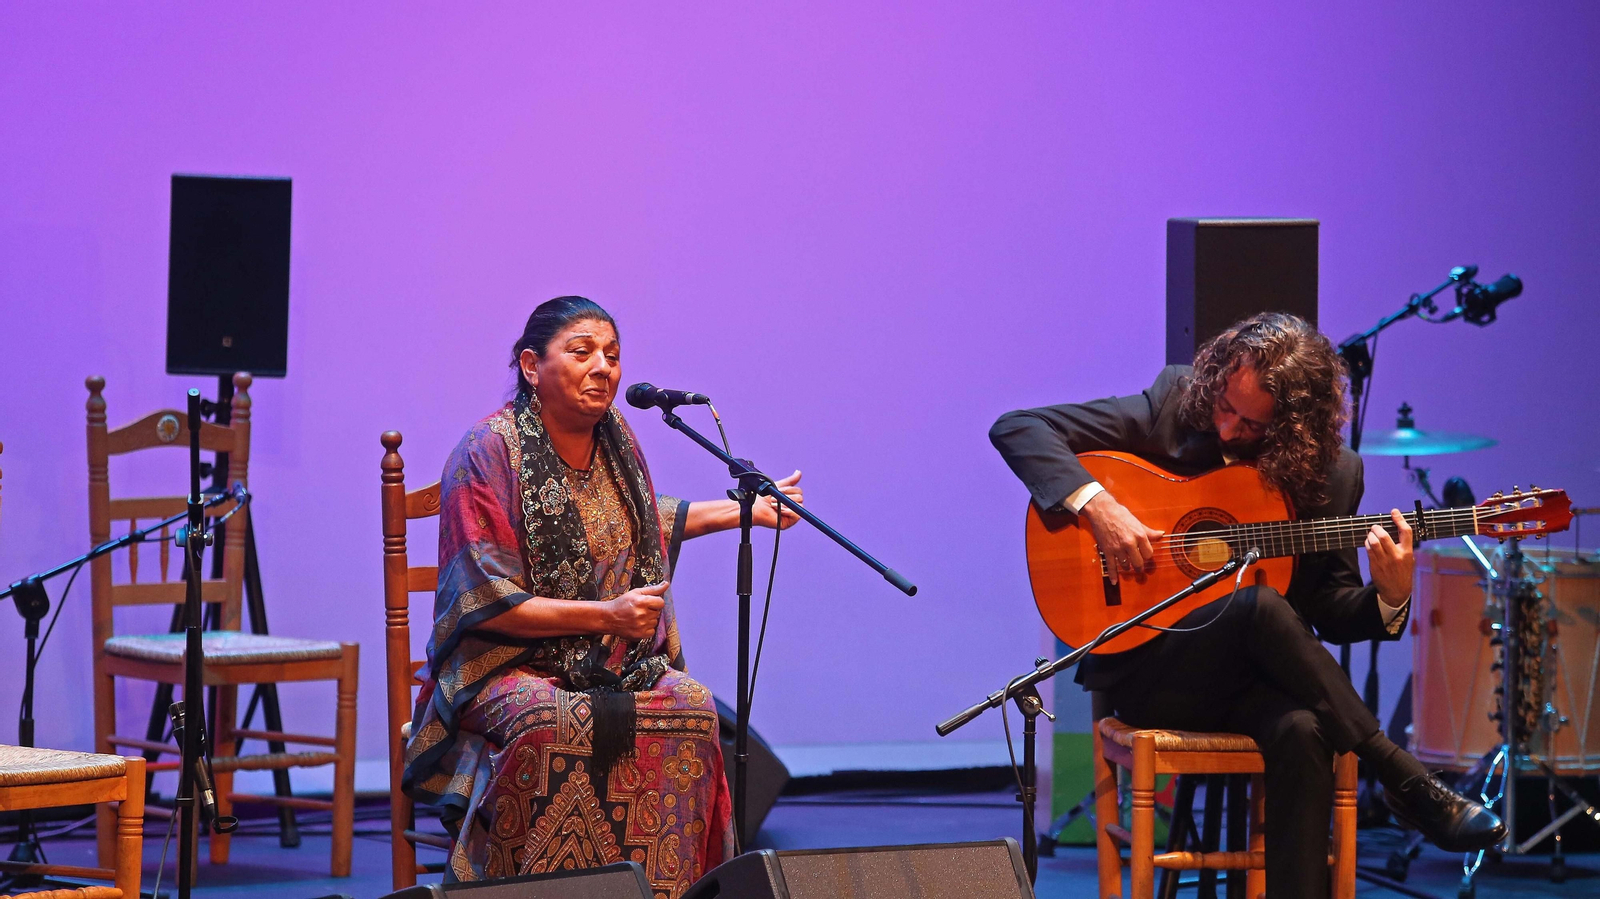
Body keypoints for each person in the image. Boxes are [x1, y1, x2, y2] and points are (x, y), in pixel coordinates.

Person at [989, 312, 1503, 898]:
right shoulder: (1176, 405)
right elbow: (1019, 427)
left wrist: (1391, 594)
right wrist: (1099, 507)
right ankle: (1403, 777)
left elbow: (1329, 606)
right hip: (1150, 667)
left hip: (1250, 682)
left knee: (1305, 728)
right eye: (1225, 407)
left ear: (1294, 425)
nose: (1228, 427)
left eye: (1251, 423)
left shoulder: (1331, 474)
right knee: (1259, 604)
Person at [404, 296, 802, 897]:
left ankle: (666, 889)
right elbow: (487, 595)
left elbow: (643, 520)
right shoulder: (486, 452)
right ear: (531, 366)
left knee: (694, 710)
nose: (603, 368)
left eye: (612, 356)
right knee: (546, 722)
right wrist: (607, 614)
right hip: (503, 666)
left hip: (611, 664)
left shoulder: (617, 441)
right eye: (582, 352)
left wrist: (744, 510)